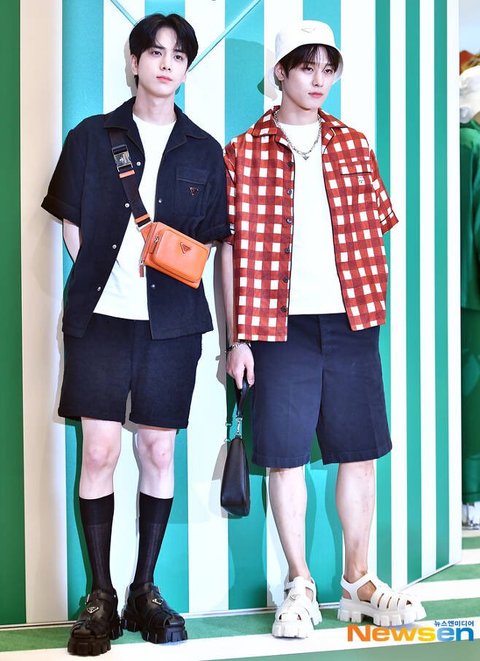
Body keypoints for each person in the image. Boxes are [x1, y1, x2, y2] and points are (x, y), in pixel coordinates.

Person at [221, 20, 426, 638]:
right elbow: (229, 250)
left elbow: (378, 226)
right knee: (285, 458)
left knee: (359, 452)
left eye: (327, 68)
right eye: (305, 66)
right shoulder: (243, 150)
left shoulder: (353, 144)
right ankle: (300, 582)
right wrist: (237, 337)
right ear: (280, 72)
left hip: (350, 320)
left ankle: (358, 583)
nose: (318, 80)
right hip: (275, 325)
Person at [42, 13, 229, 656]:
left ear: (186, 68)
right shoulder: (92, 137)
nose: (166, 64)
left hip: (171, 326)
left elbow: (209, 240)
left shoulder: (203, 149)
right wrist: (106, 275)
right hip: (100, 319)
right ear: (134, 61)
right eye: (155, 52)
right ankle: (100, 594)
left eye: (178, 56)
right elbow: (70, 222)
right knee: (98, 452)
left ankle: (144, 588)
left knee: (158, 452)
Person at [460, 65, 480, 524]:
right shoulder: (476, 146)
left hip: (448, 288)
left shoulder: (453, 143)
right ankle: (472, 492)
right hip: (474, 291)